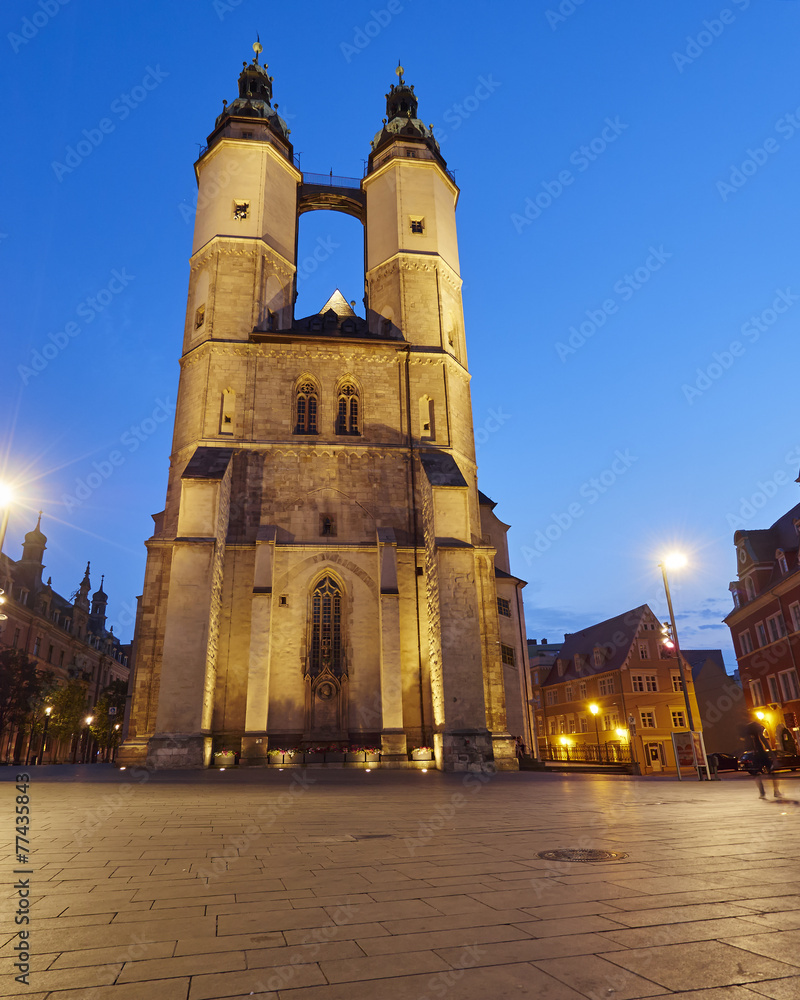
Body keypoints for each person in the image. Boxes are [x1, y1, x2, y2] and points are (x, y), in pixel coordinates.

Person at [743, 721, 781, 800]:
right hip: (762, 754)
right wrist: (771, 753)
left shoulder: (748, 736)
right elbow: (764, 741)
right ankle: (776, 791)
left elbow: (748, 745)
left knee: (757, 775)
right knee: (772, 773)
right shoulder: (758, 735)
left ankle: (762, 792)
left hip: (754, 755)